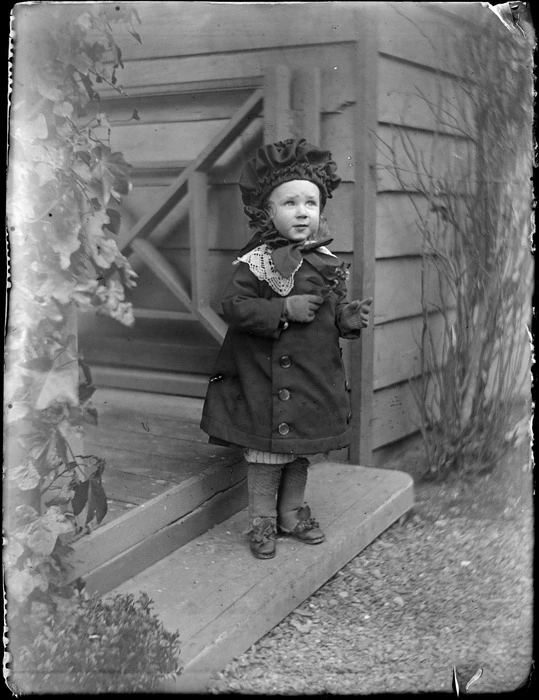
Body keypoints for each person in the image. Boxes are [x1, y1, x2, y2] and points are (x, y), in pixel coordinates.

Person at [200, 138, 372, 559]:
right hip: (263, 374)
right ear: (267, 212)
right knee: (265, 451)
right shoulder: (256, 262)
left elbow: (327, 311)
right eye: (290, 203)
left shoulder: (326, 261)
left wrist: (344, 320)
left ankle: (291, 513)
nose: (301, 212)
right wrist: (281, 308)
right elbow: (234, 307)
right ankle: (261, 522)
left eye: (310, 204)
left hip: (311, 375)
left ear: (320, 212)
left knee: (299, 450)